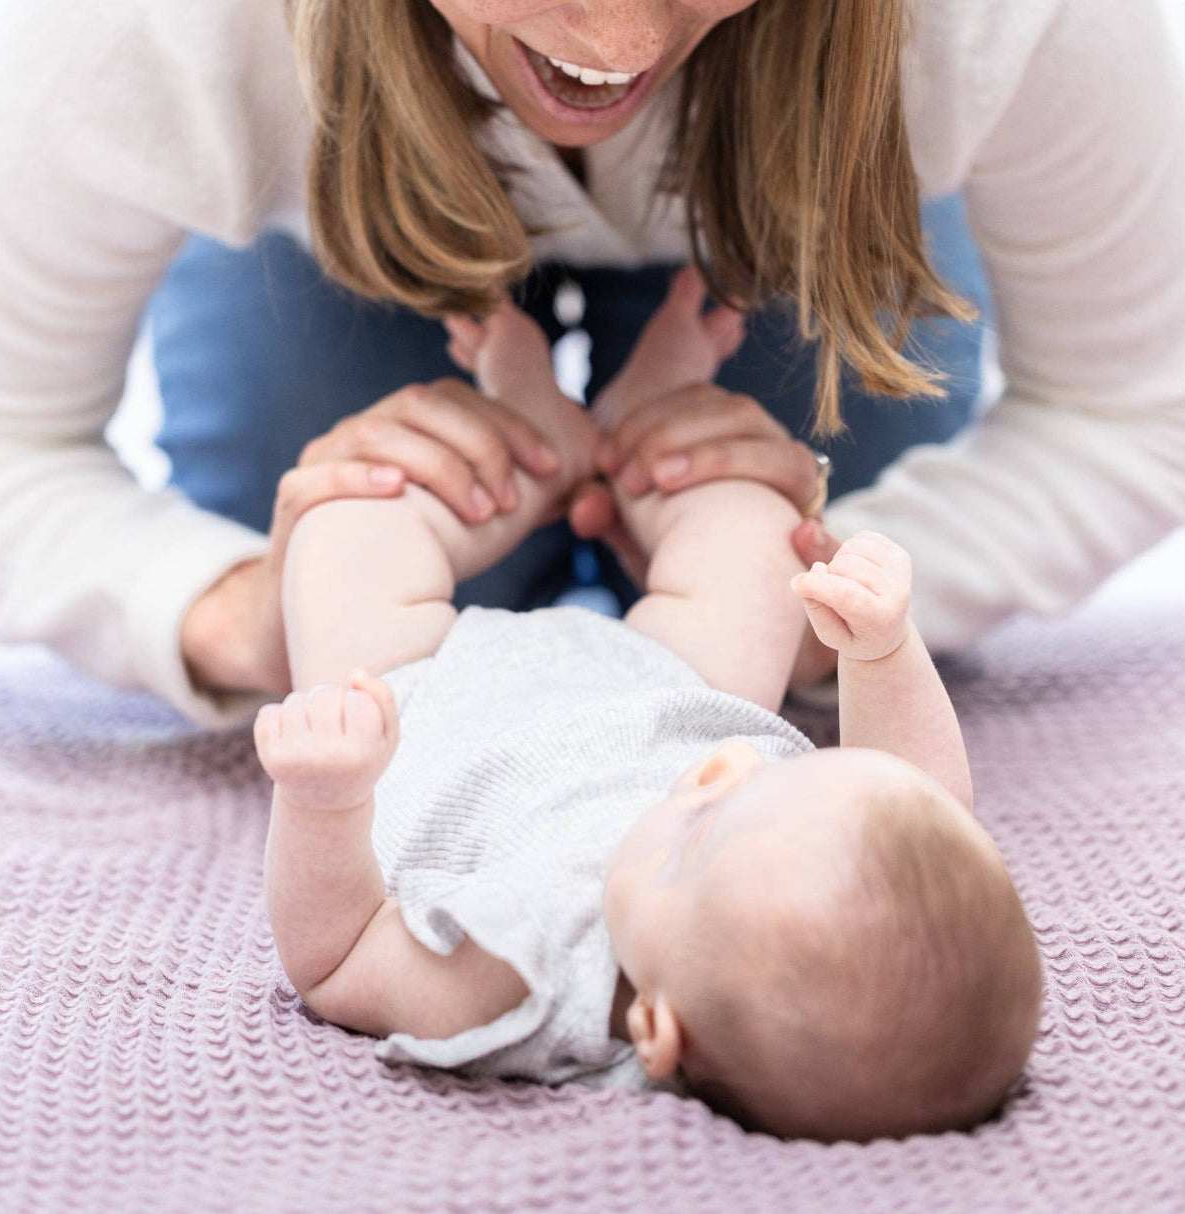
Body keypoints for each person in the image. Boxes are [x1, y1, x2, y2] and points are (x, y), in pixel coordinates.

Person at [0, 0, 1185, 728]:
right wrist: (226, 610)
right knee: (330, 561)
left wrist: (842, 620)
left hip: (805, 204)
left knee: (808, 561)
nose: (616, 44)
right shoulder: (136, 30)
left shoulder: (1006, 23)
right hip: (328, 215)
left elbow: (1148, 408)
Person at [253, 275, 1042, 1141]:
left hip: (422, 700)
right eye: (761, 784)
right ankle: (647, 423)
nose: (727, 769)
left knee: (346, 524)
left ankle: (536, 438)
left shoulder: (524, 980)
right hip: (675, 683)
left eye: (696, 835)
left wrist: (327, 800)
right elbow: (919, 790)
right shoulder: (738, 812)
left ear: (656, 1031)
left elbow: (336, 959)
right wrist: (882, 646)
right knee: (759, 534)